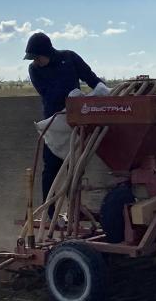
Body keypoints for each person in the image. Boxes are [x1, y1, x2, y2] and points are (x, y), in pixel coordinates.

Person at [24, 31, 107, 204]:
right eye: (33, 59)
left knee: (75, 169)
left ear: (47, 52)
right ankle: (50, 210)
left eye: (37, 57)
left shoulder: (69, 58)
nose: (35, 62)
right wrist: (73, 95)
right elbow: (49, 95)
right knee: (51, 169)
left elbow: (92, 79)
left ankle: (73, 210)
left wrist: (106, 95)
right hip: (55, 124)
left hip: (77, 123)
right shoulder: (34, 70)